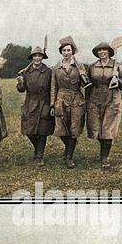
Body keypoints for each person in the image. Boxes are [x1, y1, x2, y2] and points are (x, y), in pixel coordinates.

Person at [87, 42, 122, 168]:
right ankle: (102, 149)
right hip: (95, 99)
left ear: (109, 51)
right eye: (100, 50)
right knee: (97, 128)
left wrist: (117, 80)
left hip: (111, 98)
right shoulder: (93, 66)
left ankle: (105, 157)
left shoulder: (116, 65)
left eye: (104, 50)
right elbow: (88, 83)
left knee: (108, 129)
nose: (102, 52)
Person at [50, 36, 86, 168]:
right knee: (61, 129)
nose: (66, 52)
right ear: (61, 52)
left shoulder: (79, 66)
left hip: (76, 100)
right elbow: (53, 87)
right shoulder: (56, 68)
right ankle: (70, 146)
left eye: (68, 50)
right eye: (64, 50)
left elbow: (85, 84)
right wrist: (52, 104)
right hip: (60, 100)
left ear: (73, 51)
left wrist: (83, 76)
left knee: (74, 129)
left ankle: (69, 157)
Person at [16, 46, 54, 166]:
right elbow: (21, 90)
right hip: (30, 102)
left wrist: (50, 105)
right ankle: (37, 149)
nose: (37, 58)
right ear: (32, 57)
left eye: (39, 56)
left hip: (44, 101)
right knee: (29, 131)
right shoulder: (26, 72)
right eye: (35, 56)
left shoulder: (48, 72)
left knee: (42, 131)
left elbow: (52, 89)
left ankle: (39, 156)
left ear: (42, 57)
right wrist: (21, 82)